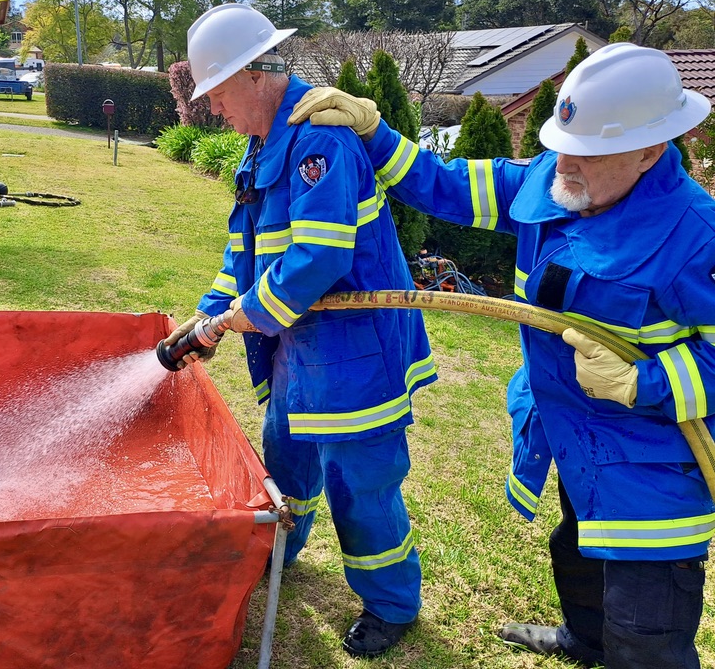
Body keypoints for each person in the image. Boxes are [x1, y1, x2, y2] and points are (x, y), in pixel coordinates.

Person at [288, 42, 715, 669]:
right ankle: (583, 641)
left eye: (587, 151)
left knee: (645, 626)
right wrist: (377, 133)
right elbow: (449, 186)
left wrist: (641, 380)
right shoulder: (556, 182)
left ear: (651, 151)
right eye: (561, 142)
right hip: (579, 441)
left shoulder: (696, 235)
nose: (562, 162)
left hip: (655, 461)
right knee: (576, 550)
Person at [163, 3, 438, 658]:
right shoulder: (260, 151)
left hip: (356, 355)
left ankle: (391, 606)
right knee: (286, 463)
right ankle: (281, 551)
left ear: (256, 74)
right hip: (299, 354)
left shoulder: (321, 141)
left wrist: (247, 314)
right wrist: (207, 319)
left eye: (220, 94)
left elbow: (319, 258)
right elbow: (244, 257)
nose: (216, 111)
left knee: (359, 486)